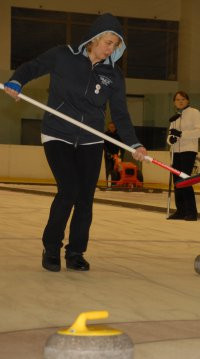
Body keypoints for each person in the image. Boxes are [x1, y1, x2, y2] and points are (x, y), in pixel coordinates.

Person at [3, 13, 147, 272]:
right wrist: (17, 80)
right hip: (57, 133)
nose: (110, 49)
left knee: (85, 198)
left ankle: (76, 251)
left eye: (115, 45)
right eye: (107, 43)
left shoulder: (113, 76)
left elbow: (120, 113)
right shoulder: (63, 55)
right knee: (68, 189)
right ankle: (51, 246)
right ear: (94, 38)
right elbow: (33, 66)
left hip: (91, 138)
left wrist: (134, 144)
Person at [166, 90, 200, 221]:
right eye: (177, 100)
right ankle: (180, 211)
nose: (180, 101)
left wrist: (181, 134)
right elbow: (170, 136)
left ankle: (191, 212)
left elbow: (199, 132)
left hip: (189, 150)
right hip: (176, 151)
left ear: (187, 100)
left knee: (185, 180)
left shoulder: (195, 113)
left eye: (182, 99)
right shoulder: (174, 117)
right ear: (174, 102)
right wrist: (171, 140)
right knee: (177, 181)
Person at [103, 122, 124, 187]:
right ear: (108, 127)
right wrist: (108, 154)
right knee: (109, 170)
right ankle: (109, 185)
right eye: (111, 127)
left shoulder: (118, 135)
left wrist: (121, 156)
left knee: (118, 170)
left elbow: (122, 146)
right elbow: (104, 145)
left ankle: (116, 184)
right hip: (108, 156)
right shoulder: (105, 134)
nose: (112, 128)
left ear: (115, 128)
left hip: (116, 156)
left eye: (113, 127)